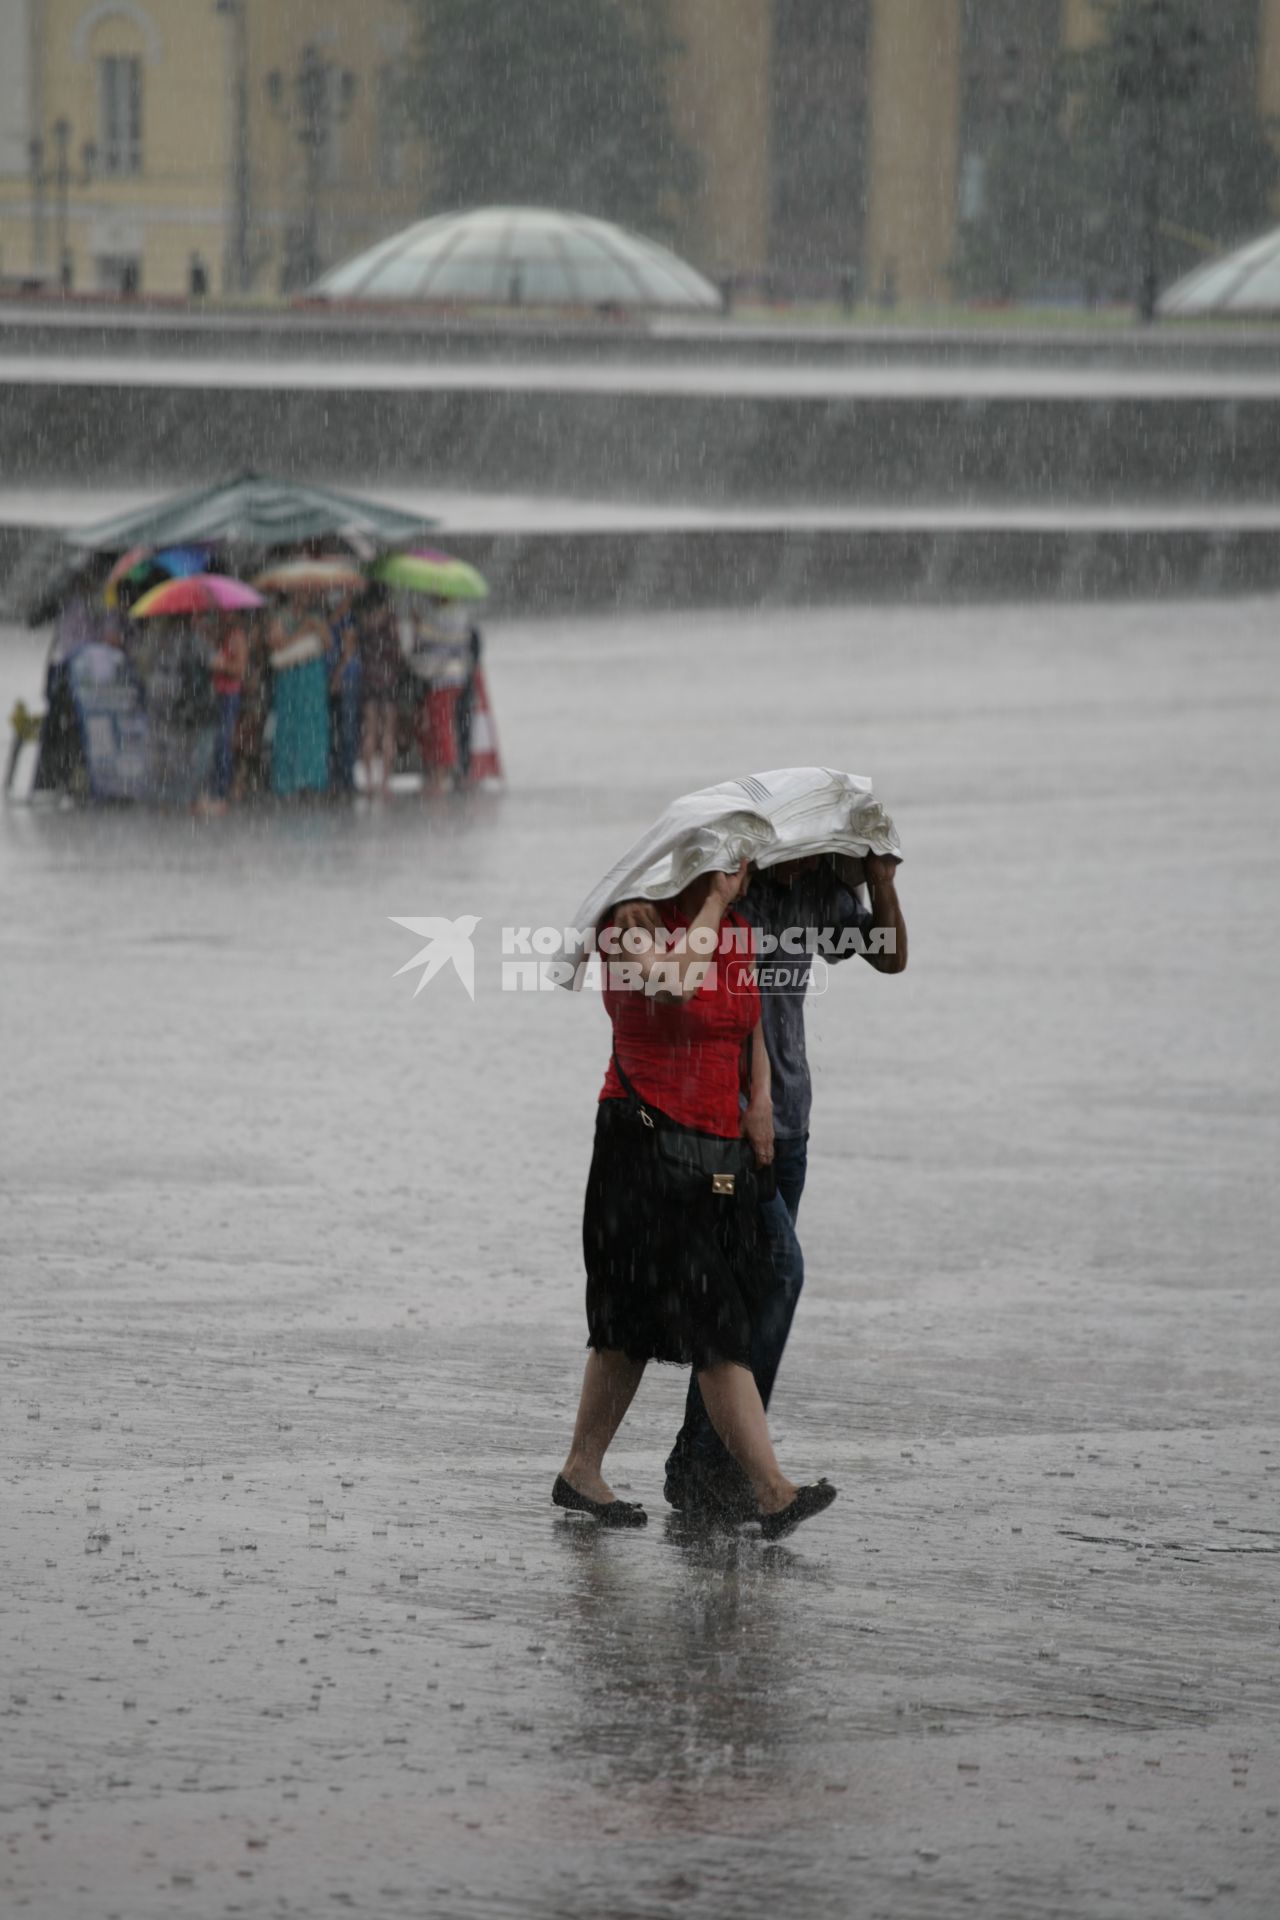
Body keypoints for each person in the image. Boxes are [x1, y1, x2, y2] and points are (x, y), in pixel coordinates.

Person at [616, 850, 908, 1523]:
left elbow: (888, 955)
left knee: (748, 1292)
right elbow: (679, 980)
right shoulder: (728, 897)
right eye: (815, 851)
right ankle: (712, 1463)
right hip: (729, 1120)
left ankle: (704, 1465)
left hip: (791, 1122)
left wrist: (884, 886)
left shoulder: (821, 898)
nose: (825, 860)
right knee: (774, 1276)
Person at [556, 857, 838, 1540]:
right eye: (721, 869)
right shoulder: (628, 929)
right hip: (642, 1147)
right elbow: (676, 985)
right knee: (713, 1320)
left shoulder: (733, 929)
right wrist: (711, 907)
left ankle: (580, 1470)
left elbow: (748, 1021)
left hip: (711, 1150)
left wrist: (760, 1101)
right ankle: (771, 1491)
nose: (736, 880)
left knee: (628, 1332)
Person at [267, 594, 330, 799]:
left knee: (312, 727)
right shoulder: (281, 616)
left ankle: (312, 779)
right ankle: (288, 780)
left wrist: (316, 626)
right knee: (289, 726)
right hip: (291, 677)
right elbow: (276, 644)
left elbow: (328, 643)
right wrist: (303, 630)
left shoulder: (316, 615)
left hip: (312, 678)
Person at [358, 591, 402, 800]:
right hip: (388, 681)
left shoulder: (364, 623)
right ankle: (384, 782)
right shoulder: (391, 622)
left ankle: (368, 780)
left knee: (370, 732)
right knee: (387, 734)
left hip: (368, 681)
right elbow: (398, 653)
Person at [209, 612, 249, 810]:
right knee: (218, 743)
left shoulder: (238, 637)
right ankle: (216, 788)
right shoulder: (222, 636)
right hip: (219, 693)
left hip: (230, 694)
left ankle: (221, 791)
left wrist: (222, 665)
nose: (221, 617)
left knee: (224, 742)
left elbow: (240, 670)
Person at [327, 589, 363, 798]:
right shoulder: (331, 619)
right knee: (336, 729)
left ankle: (346, 777)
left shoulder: (349, 620)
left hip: (347, 679)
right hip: (334, 678)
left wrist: (337, 676)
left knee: (347, 730)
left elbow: (348, 650)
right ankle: (337, 776)